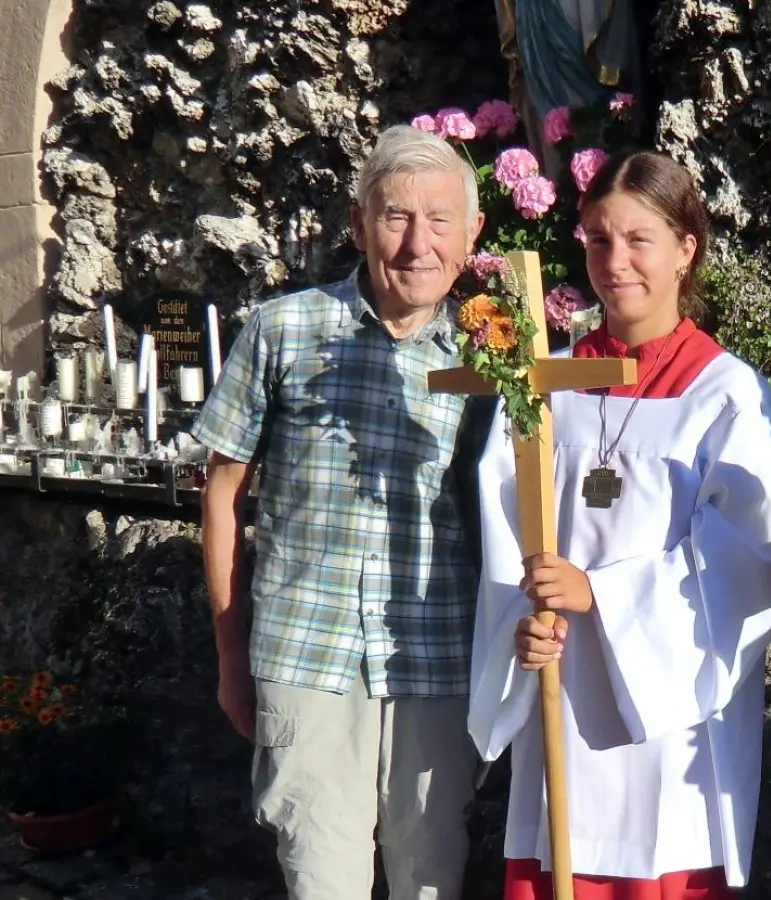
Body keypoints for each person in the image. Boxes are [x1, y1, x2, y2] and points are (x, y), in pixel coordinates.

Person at [469, 149, 771, 900]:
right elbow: (505, 534)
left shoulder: (726, 395)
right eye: (598, 239)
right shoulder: (544, 383)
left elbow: (744, 562)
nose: (615, 262)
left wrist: (600, 595)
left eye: (639, 239)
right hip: (559, 688)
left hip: (665, 714)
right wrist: (524, 623)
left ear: (686, 249)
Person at [194, 125, 488, 900]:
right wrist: (229, 656)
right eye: (396, 217)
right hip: (307, 655)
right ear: (358, 225)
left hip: (441, 657)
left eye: (440, 220)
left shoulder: (490, 359)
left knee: (432, 877)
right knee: (321, 878)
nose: (418, 243)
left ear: (471, 234)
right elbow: (222, 495)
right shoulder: (283, 331)